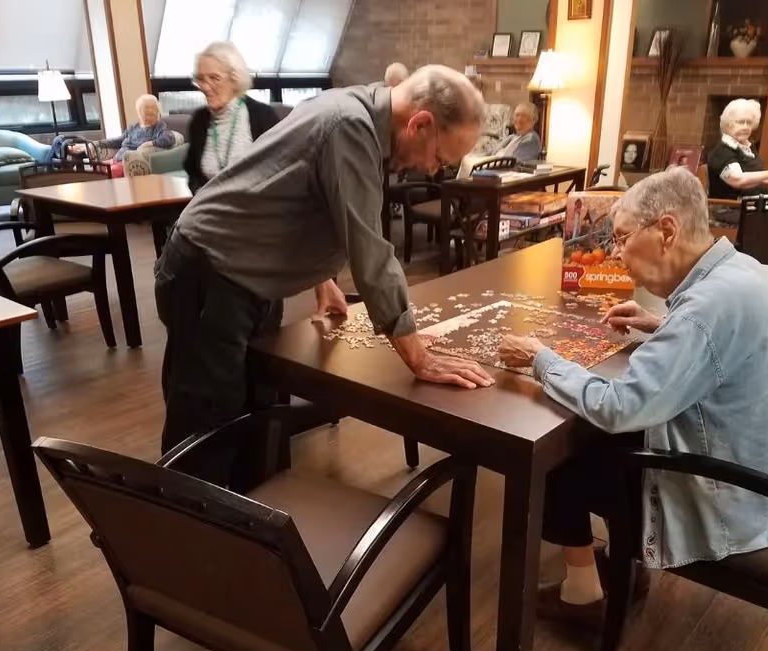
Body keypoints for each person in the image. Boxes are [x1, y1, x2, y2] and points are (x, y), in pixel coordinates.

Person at [156, 65, 494, 481]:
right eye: (440, 160)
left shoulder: (361, 107)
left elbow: (290, 191)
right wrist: (420, 359)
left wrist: (322, 276)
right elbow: (372, 256)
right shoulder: (350, 126)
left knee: (257, 420)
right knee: (206, 430)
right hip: (210, 272)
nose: (431, 171)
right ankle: (185, 539)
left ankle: (247, 531)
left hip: (247, 277)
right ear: (420, 123)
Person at [498, 167, 768, 621]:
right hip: (762, 479)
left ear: (666, 231)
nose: (616, 255)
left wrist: (542, 357)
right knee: (586, 431)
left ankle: (583, 593)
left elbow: (620, 407)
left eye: (621, 239)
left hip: (728, 500)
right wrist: (662, 324)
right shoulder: (740, 271)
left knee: (557, 454)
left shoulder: (706, 309)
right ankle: (625, 565)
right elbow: (716, 347)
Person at [185, 40, 281, 192]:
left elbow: (281, 172)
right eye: (201, 79)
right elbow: (193, 174)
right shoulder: (199, 121)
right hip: (210, 211)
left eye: (214, 78)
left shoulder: (263, 116)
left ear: (235, 79)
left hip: (258, 210)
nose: (205, 86)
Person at [47, 94, 175, 175]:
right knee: (91, 167)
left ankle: (64, 156)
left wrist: (148, 143)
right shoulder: (134, 126)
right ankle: (68, 151)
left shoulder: (159, 126)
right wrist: (98, 143)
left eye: (152, 110)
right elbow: (118, 140)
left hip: (127, 162)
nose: (149, 113)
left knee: (102, 173)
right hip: (116, 159)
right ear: (140, 111)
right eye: (146, 110)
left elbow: (169, 139)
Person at [706, 98, 768, 200]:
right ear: (728, 123)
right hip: (733, 209)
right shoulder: (722, 151)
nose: (746, 127)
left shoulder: (748, 149)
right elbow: (738, 180)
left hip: (758, 205)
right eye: (741, 122)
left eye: (749, 123)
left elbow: (758, 179)